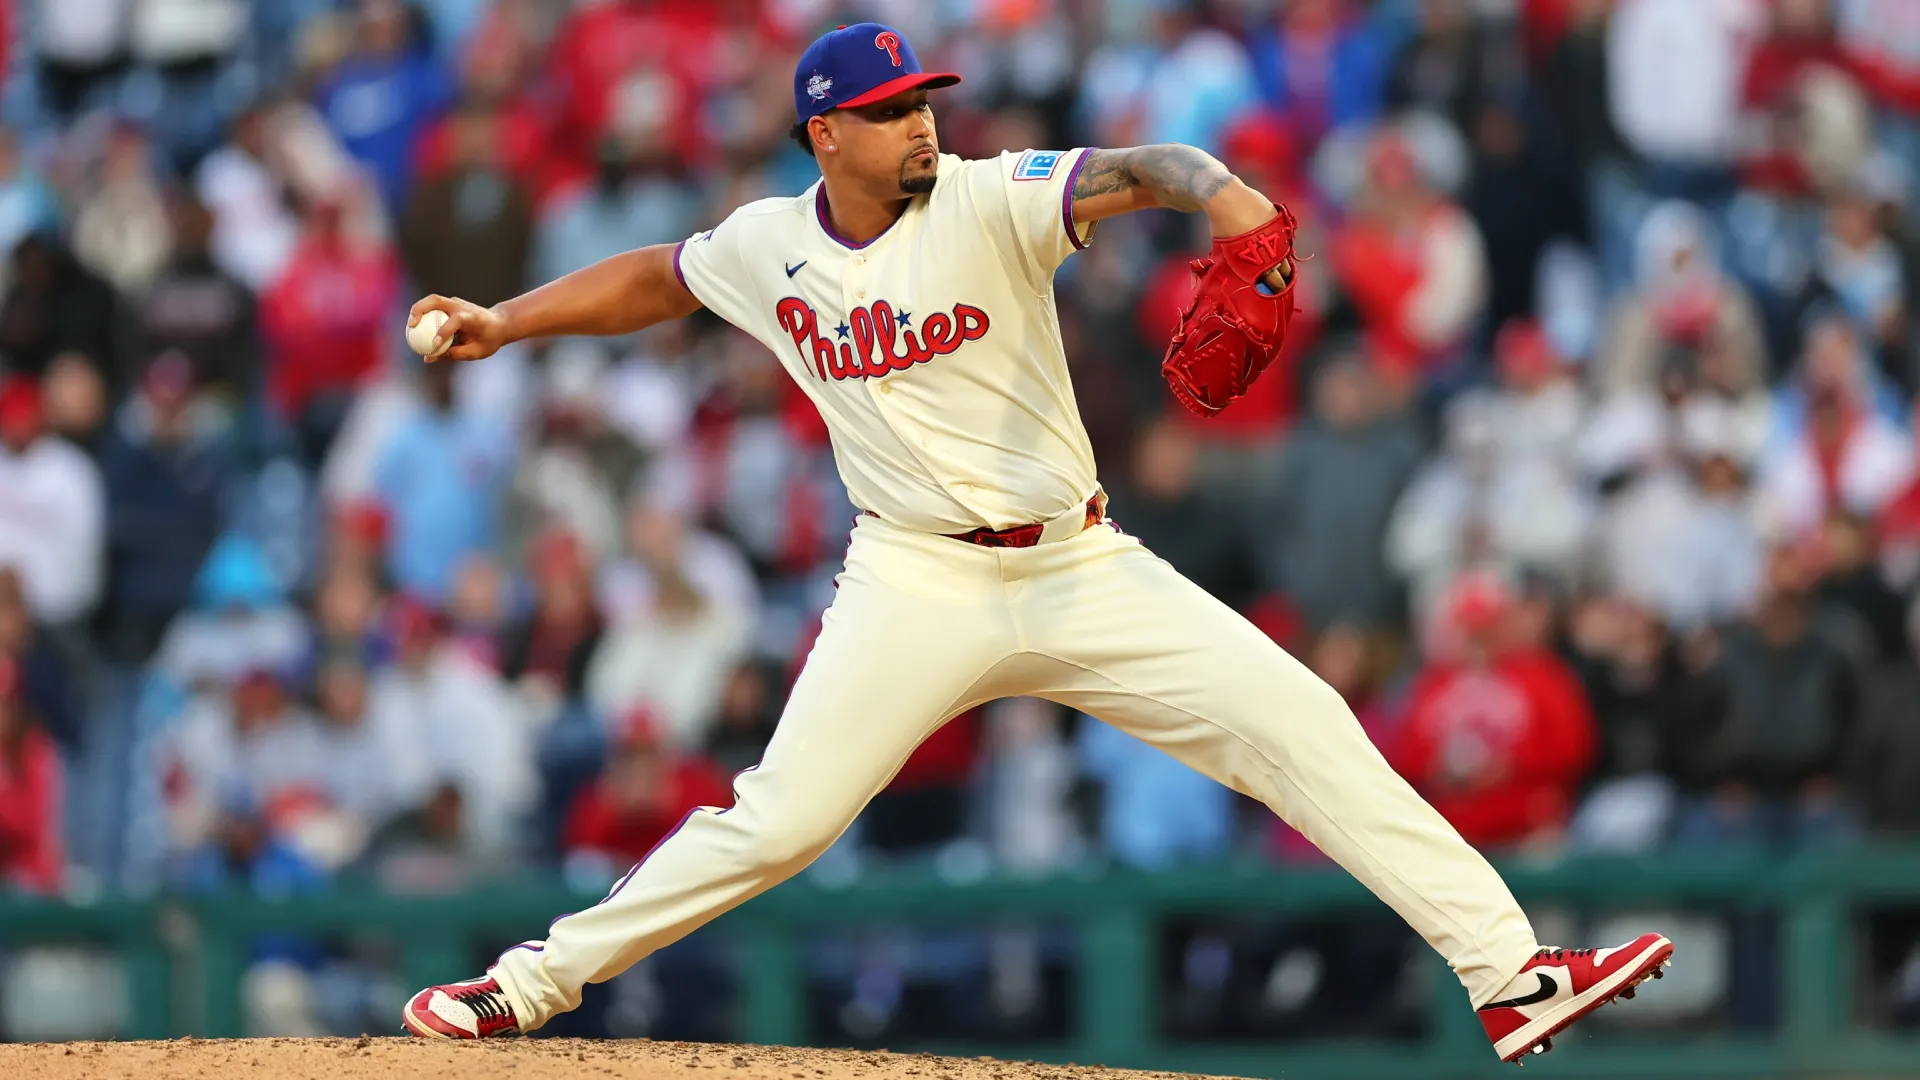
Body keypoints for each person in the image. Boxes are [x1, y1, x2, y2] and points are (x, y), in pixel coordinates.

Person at [397, 24, 1669, 1064]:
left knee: (1305, 725)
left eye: (925, 101)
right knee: (780, 822)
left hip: (1077, 563)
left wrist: (1227, 199)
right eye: (893, 109)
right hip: (915, 575)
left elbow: (1148, 164)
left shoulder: (990, 200)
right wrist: (504, 323)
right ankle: (525, 986)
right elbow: (661, 279)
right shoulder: (767, 245)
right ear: (824, 133)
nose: (923, 124)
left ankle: (1509, 975)